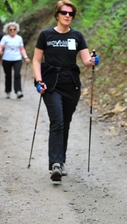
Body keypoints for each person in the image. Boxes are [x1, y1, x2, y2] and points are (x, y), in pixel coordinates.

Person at [32, 0, 98, 183]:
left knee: (65, 123)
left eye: (71, 13)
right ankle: (55, 164)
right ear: (57, 14)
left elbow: (85, 61)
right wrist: (39, 81)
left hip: (71, 84)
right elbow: (37, 61)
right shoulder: (46, 35)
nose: (67, 15)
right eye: (64, 12)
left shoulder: (77, 36)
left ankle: (61, 161)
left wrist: (93, 60)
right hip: (51, 84)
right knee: (58, 122)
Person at [0, 22, 30, 99]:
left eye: (14, 29)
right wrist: (0, 50)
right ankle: (8, 92)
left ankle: (18, 91)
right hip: (6, 59)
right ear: (8, 30)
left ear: (17, 30)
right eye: (11, 29)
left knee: (17, 74)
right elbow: (1, 46)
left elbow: (22, 49)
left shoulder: (19, 38)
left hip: (17, 59)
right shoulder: (5, 38)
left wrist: (26, 57)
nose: (12, 31)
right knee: (8, 75)